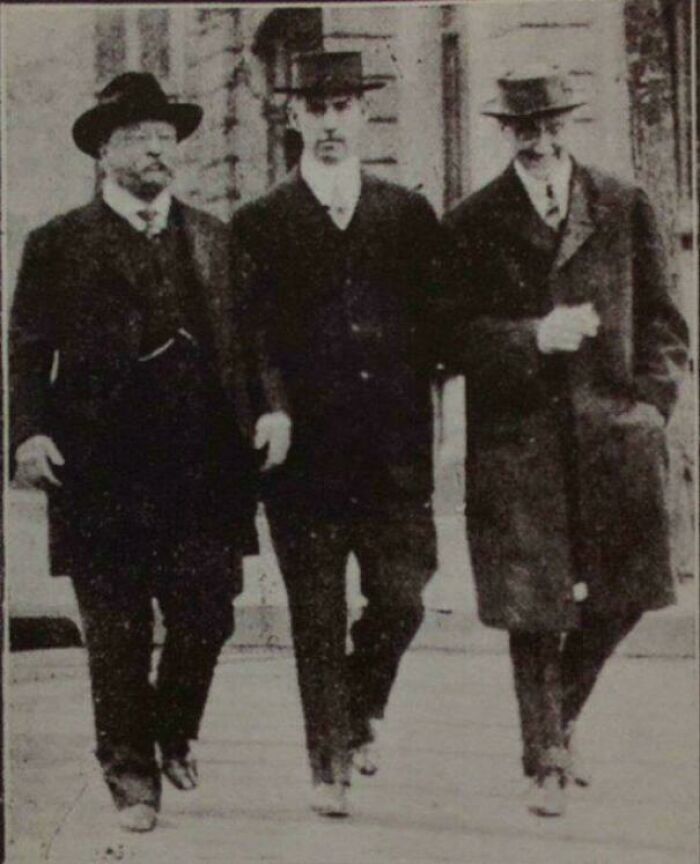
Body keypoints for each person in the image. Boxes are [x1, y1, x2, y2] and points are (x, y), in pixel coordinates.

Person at [10, 72, 257, 833]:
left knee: (207, 615)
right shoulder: (58, 242)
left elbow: (248, 344)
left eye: (165, 136)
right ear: (104, 152)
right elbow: (27, 349)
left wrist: (269, 414)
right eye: (139, 137)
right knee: (116, 630)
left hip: (202, 469)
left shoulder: (213, 237)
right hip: (100, 469)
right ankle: (130, 775)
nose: (157, 149)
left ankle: (173, 729)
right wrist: (28, 432)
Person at [442, 67, 688, 817]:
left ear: (570, 125)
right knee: (534, 606)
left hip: (614, 433)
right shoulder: (473, 220)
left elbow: (664, 321)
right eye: (526, 129)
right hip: (519, 441)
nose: (541, 142)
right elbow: (447, 337)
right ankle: (545, 757)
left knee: (628, 592)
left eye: (553, 126)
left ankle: (560, 720)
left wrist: (650, 408)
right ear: (505, 132)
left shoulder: (623, 202)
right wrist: (530, 337)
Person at [231, 52, 443, 817]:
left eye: (343, 107)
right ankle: (329, 765)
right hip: (305, 462)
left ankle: (360, 707)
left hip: (394, 458)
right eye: (315, 109)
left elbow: (439, 323)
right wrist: (272, 406)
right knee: (317, 616)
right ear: (294, 118)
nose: (329, 123)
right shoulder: (260, 222)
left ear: (363, 114)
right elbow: (248, 336)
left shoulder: (406, 213)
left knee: (404, 598)